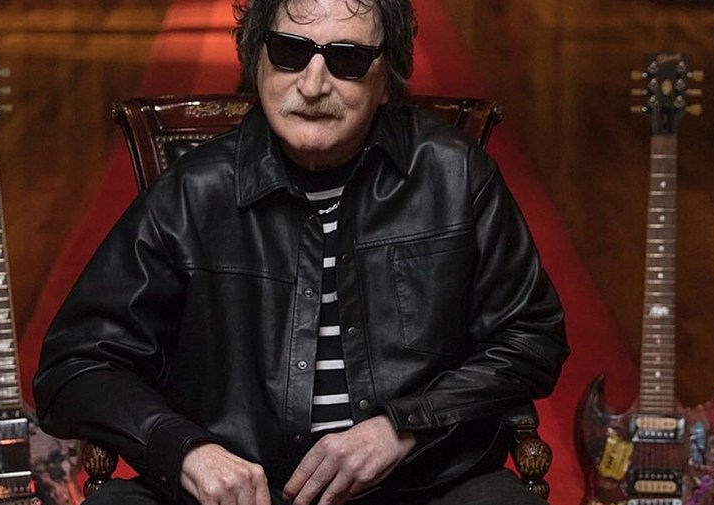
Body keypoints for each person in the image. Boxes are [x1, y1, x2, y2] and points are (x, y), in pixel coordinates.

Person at [33, 0, 569, 504]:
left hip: (422, 486)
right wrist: (187, 452)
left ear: (387, 79)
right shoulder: (191, 195)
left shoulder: (456, 175)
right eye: (289, 51)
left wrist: (402, 427)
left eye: (347, 59)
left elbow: (532, 336)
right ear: (256, 60)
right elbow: (72, 366)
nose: (312, 86)